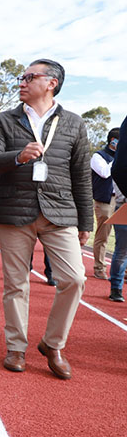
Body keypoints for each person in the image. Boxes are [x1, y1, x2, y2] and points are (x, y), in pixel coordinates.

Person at [0, 58, 91, 380]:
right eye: (21, 77)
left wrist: (86, 221)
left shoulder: (74, 123)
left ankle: (52, 343)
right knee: (16, 284)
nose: (22, 82)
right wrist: (17, 157)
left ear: (51, 83)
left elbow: (81, 176)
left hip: (60, 212)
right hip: (15, 212)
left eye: (30, 77)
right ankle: (15, 346)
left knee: (75, 279)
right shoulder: (4, 120)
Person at [91, 128, 119, 279]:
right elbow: (105, 173)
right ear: (113, 141)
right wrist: (119, 157)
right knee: (103, 236)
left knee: (123, 237)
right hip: (105, 200)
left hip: (121, 199)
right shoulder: (98, 156)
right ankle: (99, 267)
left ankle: (122, 271)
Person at [110, 115, 127, 302]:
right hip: (123, 206)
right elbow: (117, 171)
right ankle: (116, 287)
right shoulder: (119, 163)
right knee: (122, 250)